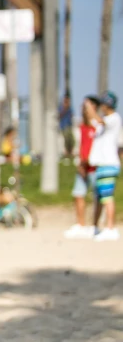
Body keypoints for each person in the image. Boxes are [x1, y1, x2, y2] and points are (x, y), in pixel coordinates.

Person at [88, 91, 121, 241]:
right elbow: (91, 121)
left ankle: (110, 228)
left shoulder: (114, 118)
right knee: (99, 197)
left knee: (107, 197)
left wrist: (91, 109)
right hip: (101, 164)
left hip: (109, 163)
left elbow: (99, 121)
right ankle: (95, 227)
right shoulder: (104, 121)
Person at [65, 97, 100, 239]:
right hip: (82, 167)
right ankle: (81, 225)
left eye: (87, 106)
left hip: (95, 167)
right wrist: (80, 163)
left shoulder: (98, 125)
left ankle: (96, 226)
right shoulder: (82, 126)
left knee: (98, 197)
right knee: (78, 194)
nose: (84, 109)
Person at [60, 94, 75, 158]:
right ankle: (66, 152)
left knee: (71, 139)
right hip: (63, 126)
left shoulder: (70, 108)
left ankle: (70, 152)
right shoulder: (61, 107)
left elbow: (72, 115)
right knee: (66, 139)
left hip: (69, 125)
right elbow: (59, 115)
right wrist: (65, 109)